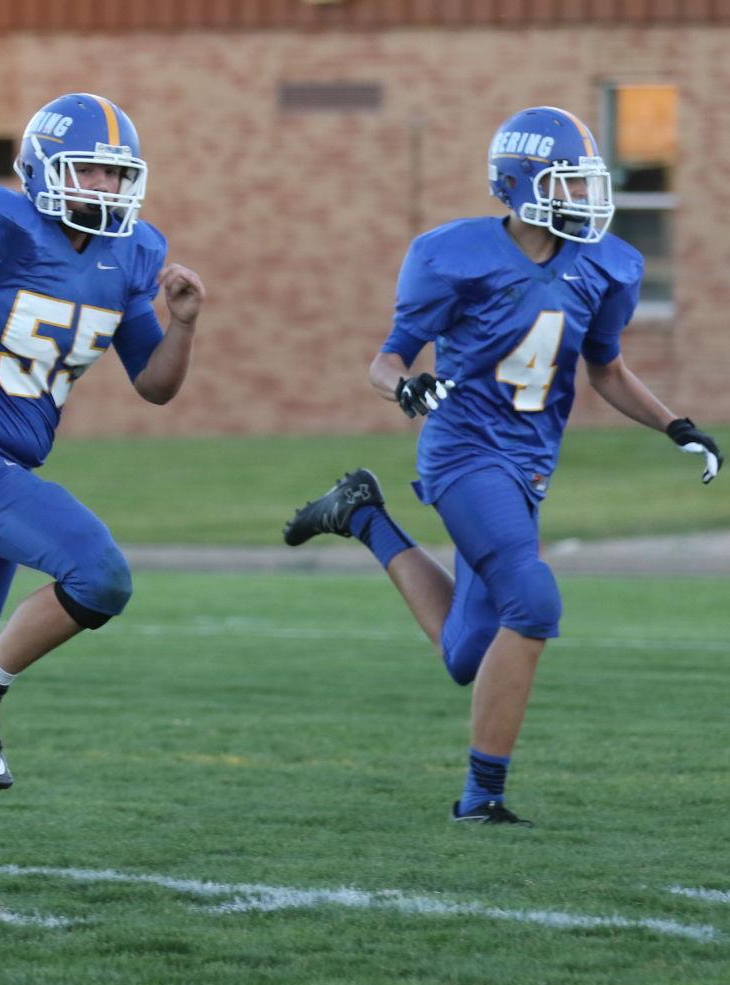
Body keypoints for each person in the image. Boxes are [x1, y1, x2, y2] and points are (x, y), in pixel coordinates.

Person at [282, 106, 719, 825]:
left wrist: (674, 425)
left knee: (465, 654)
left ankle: (361, 512)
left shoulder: (606, 265)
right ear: (520, 185)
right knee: (534, 602)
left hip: (529, 465)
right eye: (568, 184)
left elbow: (603, 367)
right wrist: (406, 387)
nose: (584, 198)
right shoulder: (452, 253)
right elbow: (385, 359)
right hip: (462, 453)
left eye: (588, 183)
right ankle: (480, 797)